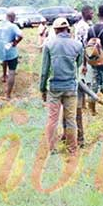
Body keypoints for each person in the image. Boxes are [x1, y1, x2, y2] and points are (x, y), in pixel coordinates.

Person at [40, 18, 83, 152]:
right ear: (68, 29)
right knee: (71, 119)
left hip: (54, 87)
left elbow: (44, 70)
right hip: (70, 87)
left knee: (53, 119)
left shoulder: (49, 44)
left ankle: (52, 149)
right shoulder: (78, 45)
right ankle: (72, 148)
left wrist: (42, 88)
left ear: (55, 30)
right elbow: (79, 65)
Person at [0, 10, 24, 99]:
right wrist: (16, 42)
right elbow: (21, 35)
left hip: (0, 50)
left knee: (4, 61)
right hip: (10, 50)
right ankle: (8, 95)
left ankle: (4, 76)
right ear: (12, 17)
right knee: (12, 72)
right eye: (14, 18)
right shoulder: (12, 26)